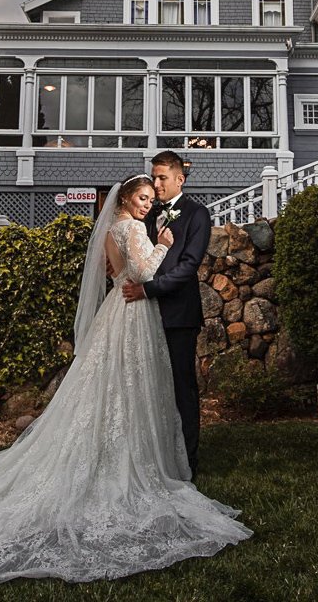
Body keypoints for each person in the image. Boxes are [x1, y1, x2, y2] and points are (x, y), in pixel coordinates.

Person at [0, 174, 251, 585]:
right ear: (126, 198)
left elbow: (116, 272)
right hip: (133, 314)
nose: (147, 205)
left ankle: (113, 451)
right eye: (142, 197)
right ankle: (127, 461)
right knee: (130, 386)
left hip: (116, 310)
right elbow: (142, 269)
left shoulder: (111, 229)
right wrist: (163, 246)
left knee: (112, 386)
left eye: (151, 199)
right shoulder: (134, 227)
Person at [119, 151, 209, 478]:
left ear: (179, 179)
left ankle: (187, 465)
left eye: (162, 178)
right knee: (146, 390)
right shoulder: (146, 213)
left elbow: (187, 267)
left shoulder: (197, 215)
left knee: (181, 389)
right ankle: (153, 460)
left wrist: (148, 290)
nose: (156, 184)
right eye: (153, 177)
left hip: (178, 315)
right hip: (143, 317)